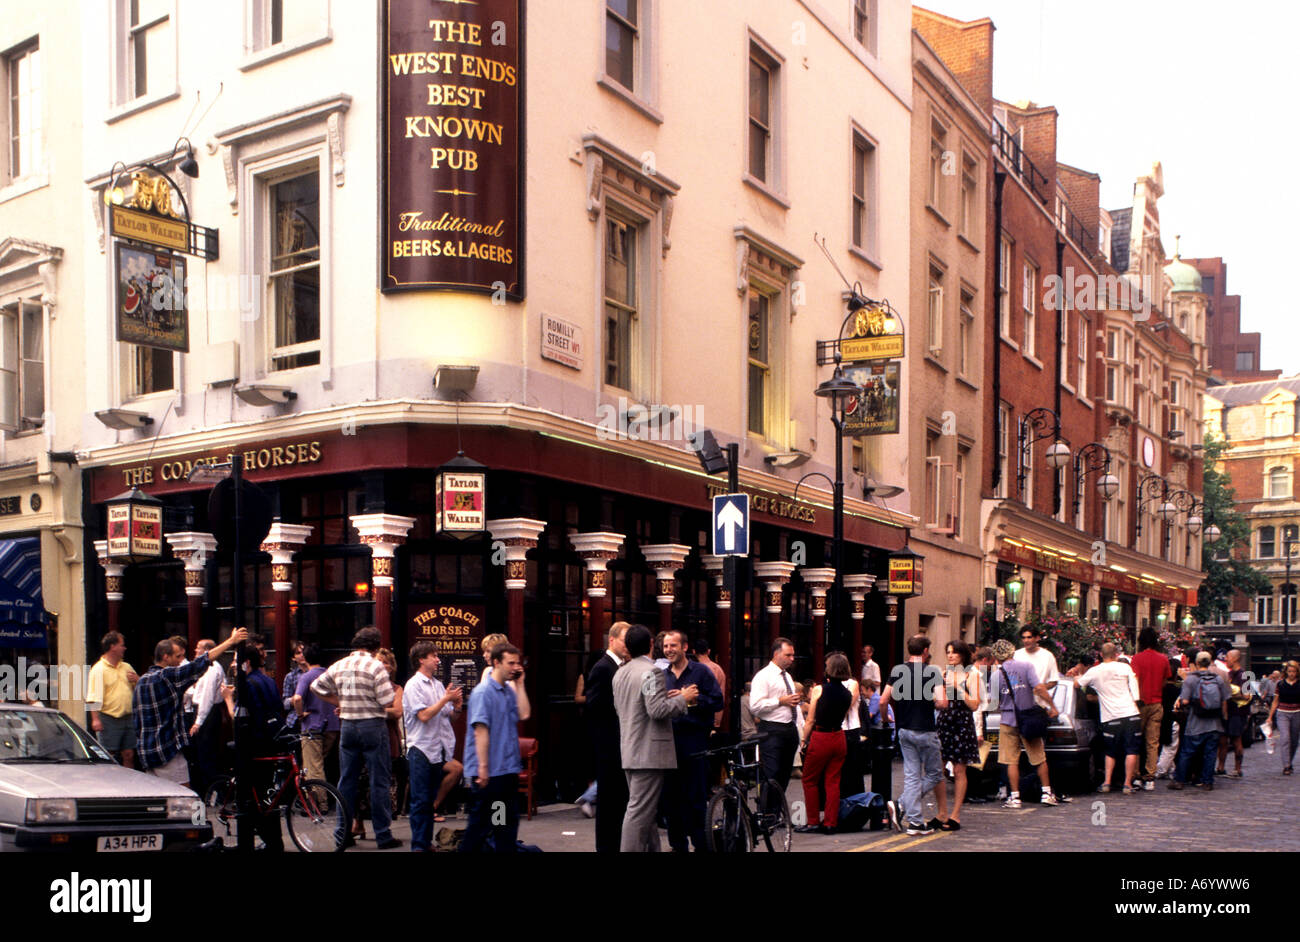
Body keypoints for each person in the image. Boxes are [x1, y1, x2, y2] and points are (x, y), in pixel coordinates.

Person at [310, 626, 402, 850]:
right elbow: (386, 699)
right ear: (376, 646)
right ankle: (383, 834)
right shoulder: (376, 666)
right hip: (372, 725)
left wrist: (339, 702)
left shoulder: (339, 665)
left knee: (346, 781)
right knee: (378, 781)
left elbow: (316, 686)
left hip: (348, 725)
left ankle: (343, 832)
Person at [614, 625, 696, 852]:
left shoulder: (621, 672)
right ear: (652, 644)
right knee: (639, 812)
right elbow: (656, 710)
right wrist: (683, 699)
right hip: (648, 753)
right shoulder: (651, 671)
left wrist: (665, 698)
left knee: (645, 812)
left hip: (631, 748)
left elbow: (631, 707)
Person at [134, 628, 247, 784]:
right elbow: (200, 663)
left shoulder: (141, 681)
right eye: (177, 657)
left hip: (146, 750)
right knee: (184, 796)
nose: (181, 661)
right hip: (167, 750)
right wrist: (231, 641)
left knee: (160, 799)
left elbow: (137, 719)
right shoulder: (167, 676)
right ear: (166, 657)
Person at [879, 635, 949, 834]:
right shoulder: (932, 672)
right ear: (926, 650)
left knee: (912, 776)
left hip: (904, 729)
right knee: (935, 774)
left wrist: (886, 719)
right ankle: (901, 804)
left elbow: (883, 701)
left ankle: (916, 823)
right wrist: (934, 702)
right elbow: (943, 703)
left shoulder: (898, 671)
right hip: (926, 729)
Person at [988, 638, 1070, 808]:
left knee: (1011, 760)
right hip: (1028, 718)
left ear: (997, 657)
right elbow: (1039, 688)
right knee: (1039, 757)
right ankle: (1047, 793)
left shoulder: (995, 675)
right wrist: (1052, 707)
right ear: (1012, 652)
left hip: (1008, 721)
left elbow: (993, 702)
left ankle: (1015, 797)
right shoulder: (1026, 667)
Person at [220, 642, 285, 851]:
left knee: (249, 796)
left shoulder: (246, 684)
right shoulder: (268, 680)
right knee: (266, 794)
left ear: (245, 663)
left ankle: (252, 839)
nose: (232, 664)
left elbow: (238, 719)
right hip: (270, 741)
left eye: (236, 660)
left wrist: (229, 700)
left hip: (253, 745)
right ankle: (273, 841)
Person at [461, 642, 526, 853]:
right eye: (511, 663)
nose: (515, 667)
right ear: (496, 663)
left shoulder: (508, 691)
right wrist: (483, 767)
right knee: (479, 825)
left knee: (503, 824)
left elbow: (524, 714)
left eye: (518, 663)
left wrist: (521, 684)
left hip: (506, 770)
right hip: (490, 774)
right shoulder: (483, 692)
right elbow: (480, 731)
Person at [661, 629, 722, 852]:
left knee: (695, 797)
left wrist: (693, 701)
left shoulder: (702, 672)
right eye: (666, 646)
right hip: (668, 743)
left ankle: (701, 845)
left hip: (694, 742)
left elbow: (718, 701)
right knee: (671, 798)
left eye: (673, 646)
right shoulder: (662, 675)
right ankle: (678, 845)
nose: (668, 650)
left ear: (684, 647)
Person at [403, 640, 464, 852]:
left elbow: (450, 717)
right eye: (434, 656)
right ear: (421, 659)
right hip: (420, 748)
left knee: (428, 800)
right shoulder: (413, 685)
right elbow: (424, 715)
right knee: (420, 800)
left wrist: (456, 706)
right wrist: (445, 699)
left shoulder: (437, 685)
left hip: (438, 749)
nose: (438, 660)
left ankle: (425, 842)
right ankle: (418, 845)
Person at [798, 652, 855, 833]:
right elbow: (844, 715)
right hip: (839, 737)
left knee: (809, 779)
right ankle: (830, 822)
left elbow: (810, 720)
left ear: (829, 669)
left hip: (821, 737)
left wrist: (803, 740)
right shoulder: (847, 694)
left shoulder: (818, 690)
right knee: (833, 781)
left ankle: (813, 821)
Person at [1074, 642, 1142, 793]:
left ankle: (1107, 782)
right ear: (1116, 654)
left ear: (1101, 654)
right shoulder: (1125, 667)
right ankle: (1127, 784)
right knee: (1131, 749)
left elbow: (1077, 685)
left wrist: (1076, 673)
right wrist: (1136, 699)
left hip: (1110, 716)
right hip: (1130, 712)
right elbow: (1134, 686)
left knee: (1110, 751)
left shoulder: (1095, 671)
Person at [584, 621, 629, 852]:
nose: (628, 644)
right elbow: (595, 706)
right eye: (624, 639)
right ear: (611, 640)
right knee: (609, 803)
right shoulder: (604, 667)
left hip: (618, 745)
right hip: (609, 745)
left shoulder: (620, 666)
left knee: (617, 801)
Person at [749, 638, 801, 815]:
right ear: (776, 654)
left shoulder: (787, 675)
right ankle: (766, 812)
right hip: (771, 729)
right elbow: (755, 706)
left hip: (788, 728)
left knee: (784, 773)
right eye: (788, 655)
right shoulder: (763, 676)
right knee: (772, 773)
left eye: (793, 655)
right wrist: (780, 701)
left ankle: (775, 810)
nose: (792, 659)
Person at [1170, 651, 1231, 791]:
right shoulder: (1217, 679)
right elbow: (1225, 699)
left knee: (1187, 751)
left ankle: (1179, 780)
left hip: (1195, 722)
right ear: (1209, 663)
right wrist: (1224, 718)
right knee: (1210, 753)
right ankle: (1207, 781)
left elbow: (1184, 700)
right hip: (1214, 723)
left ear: (1197, 663)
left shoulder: (1191, 679)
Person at [936, 640, 981, 830]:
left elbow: (974, 704)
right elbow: (938, 701)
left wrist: (959, 686)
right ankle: (942, 812)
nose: (950, 655)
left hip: (962, 723)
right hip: (945, 722)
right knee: (938, 770)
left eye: (954, 652)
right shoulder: (944, 674)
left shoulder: (972, 675)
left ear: (962, 654)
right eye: (948, 652)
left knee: (959, 769)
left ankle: (955, 815)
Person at [85, 631, 139, 768]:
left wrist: (138, 680)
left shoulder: (126, 666)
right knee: (108, 754)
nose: (124, 648)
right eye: (122, 645)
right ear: (112, 646)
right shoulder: (98, 669)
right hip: (108, 718)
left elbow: (140, 688)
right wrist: (95, 719)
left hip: (128, 717)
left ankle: (128, 784)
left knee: (129, 754)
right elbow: (92, 697)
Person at [292, 644, 340, 795]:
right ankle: (326, 798)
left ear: (305, 658)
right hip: (333, 725)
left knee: (313, 767)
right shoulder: (330, 675)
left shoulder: (306, 676)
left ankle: (319, 803)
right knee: (325, 763)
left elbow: (297, 698)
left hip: (313, 725)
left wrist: (300, 714)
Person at [1130, 627, 1172, 790]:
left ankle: (1136, 774)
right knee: (1152, 742)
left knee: (1136, 740)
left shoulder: (1137, 658)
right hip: (1156, 702)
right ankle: (1150, 776)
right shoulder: (1163, 659)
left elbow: (1134, 680)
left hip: (1139, 704)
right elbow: (1165, 681)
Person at [186, 639, 226, 794]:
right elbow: (197, 691)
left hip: (207, 713)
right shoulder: (203, 668)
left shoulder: (213, 669)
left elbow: (207, 697)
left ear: (207, 650)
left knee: (206, 753)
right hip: (202, 710)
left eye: (198, 648)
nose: (195, 651)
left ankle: (212, 792)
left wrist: (198, 721)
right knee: (200, 754)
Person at [478, 633, 531, 721]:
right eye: (484, 651)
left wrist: (520, 684)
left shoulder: (511, 681)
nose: (484, 655)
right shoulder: (487, 672)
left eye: (488, 651)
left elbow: (523, 714)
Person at [1215, 649, 1250, 778]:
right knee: (1222, 740)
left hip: (1238, 712)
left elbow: (1247, 696)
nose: (1226, 659)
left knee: (1236, 739)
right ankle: (1220, 767)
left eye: (1228, 657)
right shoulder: (1227, 674)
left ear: (1235, 659)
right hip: (1226, 711)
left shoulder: (1246, 674)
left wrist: (1232, 691)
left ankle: (1237, 768)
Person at [1265, 660, 1300, 774]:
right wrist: (1270, 716)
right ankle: (1286, 765)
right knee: (1285, 738)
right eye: (1290, 671)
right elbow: (1275, 701)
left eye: (1294, 671)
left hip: (1296, 712)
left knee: (1294, 740)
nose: (1291, 674)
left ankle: (1289, 761)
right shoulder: (1280, 684)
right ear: (1286, 672)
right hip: (1282, 712)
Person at [1013, 625, 1060, 710]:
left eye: (1029, 637)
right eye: (1023, 638)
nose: (1026, 640)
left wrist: (1039, 689)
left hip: (1039, 706)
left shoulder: (1048, 656)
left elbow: (1054, 681)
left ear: (1037, 638)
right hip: (1019, 706)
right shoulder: (1015, 655)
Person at [693, 637, 727, 730]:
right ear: (708, 651)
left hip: (700, 717)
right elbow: (721, 694)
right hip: (716, 714)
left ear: (693, 651)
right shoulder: (718, 669)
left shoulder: (697, 670)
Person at [281, 642, 307, 735]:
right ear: (293, 658)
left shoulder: (315, 673)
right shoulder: (290, 676)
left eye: (303, 652)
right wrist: (294, 699)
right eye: (298, 653)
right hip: (295, 719)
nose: (302, 655)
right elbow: (285, 704)